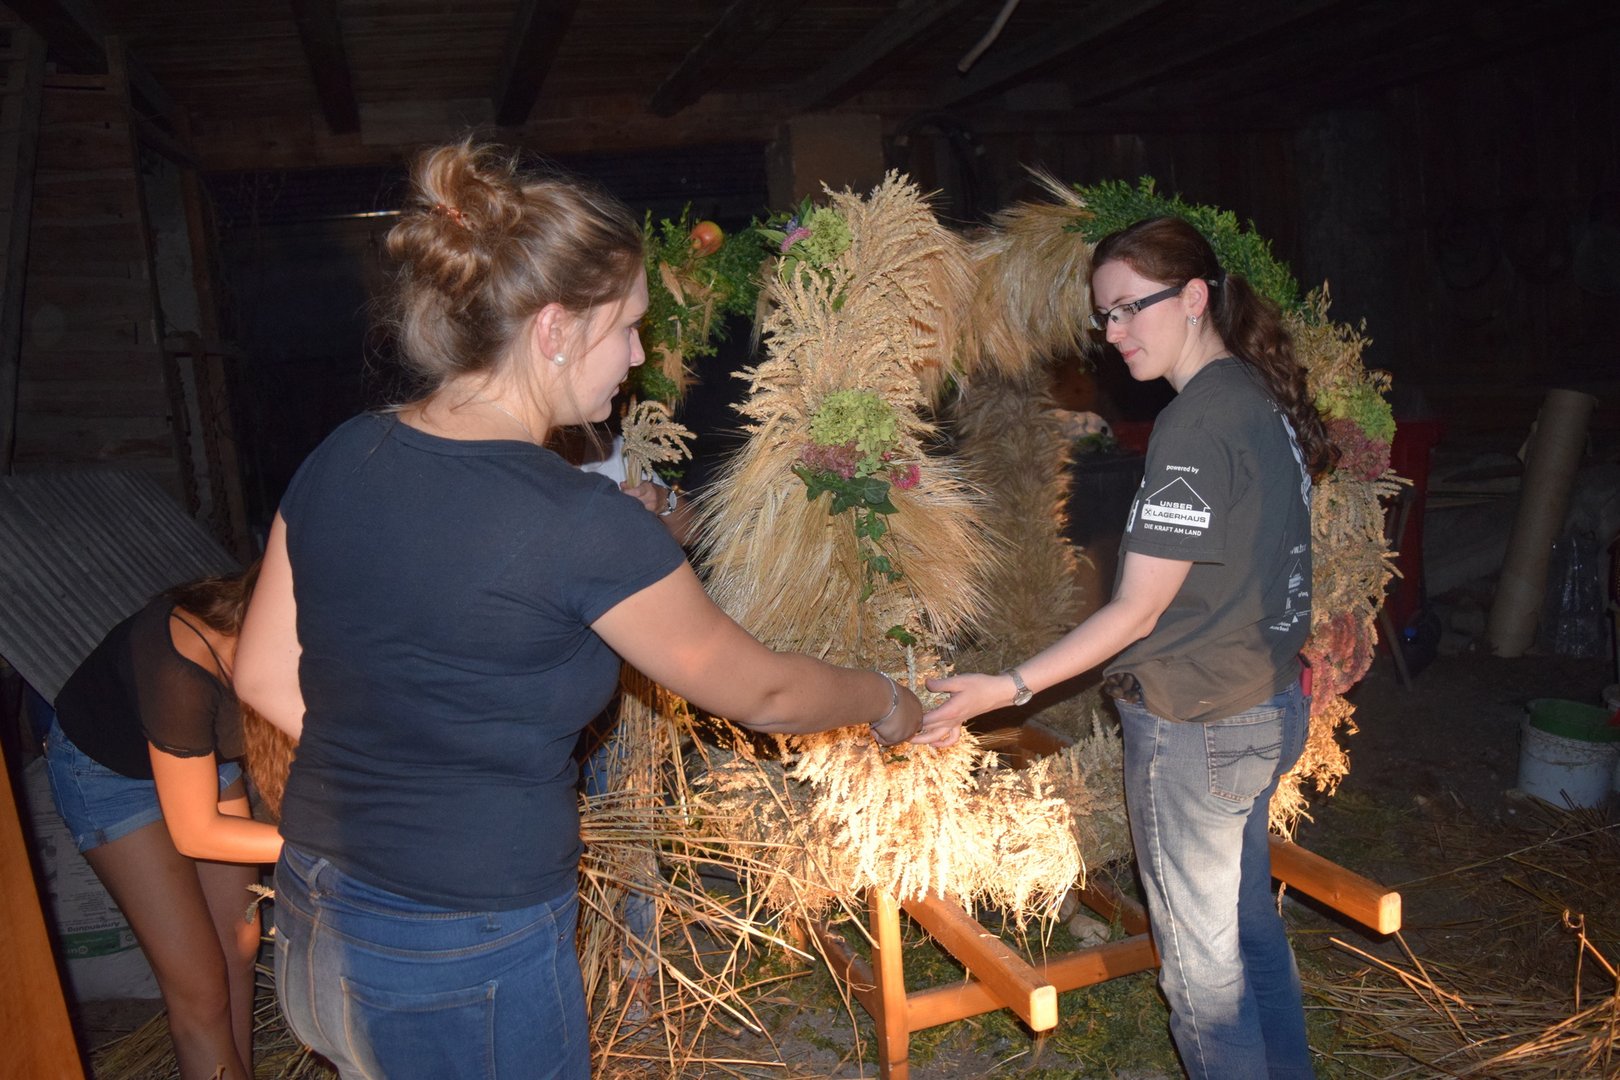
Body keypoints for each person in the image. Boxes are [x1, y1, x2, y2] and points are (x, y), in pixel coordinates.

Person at [233, 139, 957, 1080]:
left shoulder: (342, 453)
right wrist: (887, 701)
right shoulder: (579, 523)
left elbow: (262, 673)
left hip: (314, 912)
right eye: (628, 327)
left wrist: (408, 759)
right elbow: (766, 693)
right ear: (554, 329)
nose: (640, 355)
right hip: (464, 947)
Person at [926, 216, 1335, 1080]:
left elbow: (1137, 611)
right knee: (1248, 928)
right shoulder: (1257, 397)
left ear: (1193, 298)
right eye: (1103, 316)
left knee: (1203, 978)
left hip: (1199, 721)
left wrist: (1006, 687)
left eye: (1128, 308)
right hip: (1264, 704)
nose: (1112, 335)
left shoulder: (1195, 426)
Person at [43, 566, 284, 1080]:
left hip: (203, 753)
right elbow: (197, 831)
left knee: (239, 949)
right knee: (201, 991)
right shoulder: (183, 662)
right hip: (111, 778)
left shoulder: (292, 645)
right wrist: (342, 846)